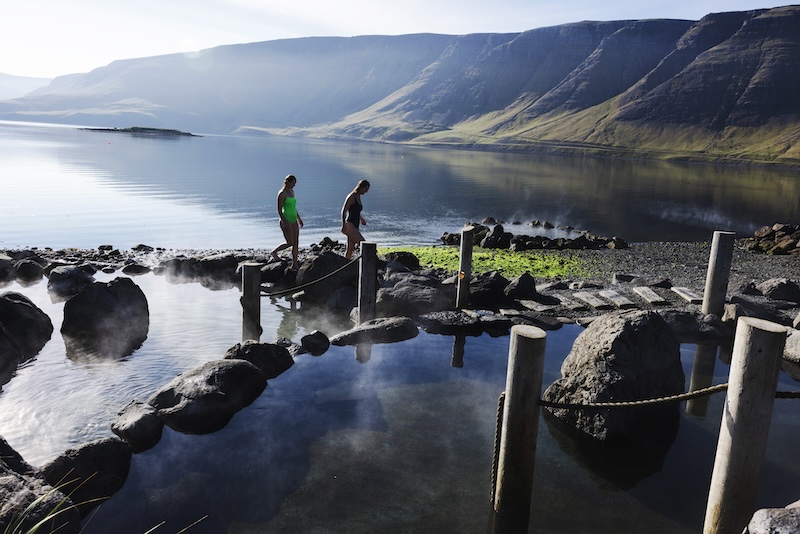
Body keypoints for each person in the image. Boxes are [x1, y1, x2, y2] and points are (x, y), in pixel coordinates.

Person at [271, 174, 303, 269]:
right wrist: (284, 222)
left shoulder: (292, 192)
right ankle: (274, 252)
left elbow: (293, 207)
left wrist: (299, 218)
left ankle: (295, 263)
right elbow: (279, 210)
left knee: (296, 242)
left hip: (293, 219)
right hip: (286, 219)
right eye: (293, 183)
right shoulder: (282, 193)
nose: (294, 185)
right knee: (290, 242)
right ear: (288, 182)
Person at [341, 179, 370, 259]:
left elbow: (355, 211)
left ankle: (346, 265)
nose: (366, 192)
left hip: (356, 225)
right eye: (365, 189)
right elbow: (343, 211)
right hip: (350, 225)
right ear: (361, 187)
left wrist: (361, 219)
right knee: (364, 244)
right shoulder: (351, 196)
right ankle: (368, 265)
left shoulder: (358, 197)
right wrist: (343, 225)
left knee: (350, 249)